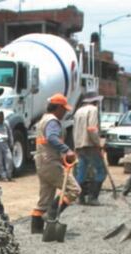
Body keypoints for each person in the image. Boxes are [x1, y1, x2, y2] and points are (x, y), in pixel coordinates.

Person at [31, 94, 79, 233]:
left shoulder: (43, 119)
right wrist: (67, 150)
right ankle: (52, 213)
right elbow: (52, 138)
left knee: (45, 198)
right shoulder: (53, 121)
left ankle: (36, 229)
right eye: (63, 109)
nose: (64, 112)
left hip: (42, 162)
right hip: (50, 162)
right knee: (74, 190)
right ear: (58, 108)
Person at [72, 94, 105, 206]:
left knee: (81, 172)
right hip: (90, 144)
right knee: (101, 171)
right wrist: (98, 143)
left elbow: (74, 130)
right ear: (96, 102)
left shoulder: (78, 111)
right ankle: (92, 197)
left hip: (79, 145)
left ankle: (80, 198)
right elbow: (92, 129)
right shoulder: (93, 110)